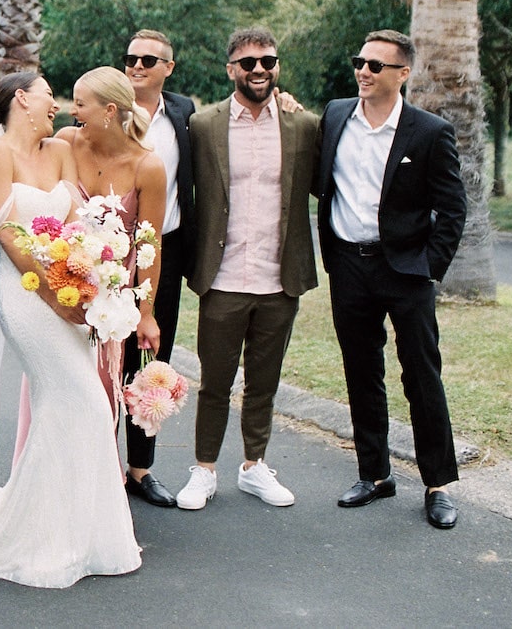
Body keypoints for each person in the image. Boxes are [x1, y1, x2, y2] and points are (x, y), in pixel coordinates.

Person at [0, 71, 143, 587]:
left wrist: (98, 272)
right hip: (26, 295)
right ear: (19, 99)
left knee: (86, 406)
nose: (56, 102)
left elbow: (79, 220)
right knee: (77, 399)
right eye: (48, 93)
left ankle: (86, 533)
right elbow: (6, 232)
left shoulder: (58, 150)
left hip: (74, 292)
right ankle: (41, 538)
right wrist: (54, 293)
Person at [317, 30, 467, 529]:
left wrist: (429, 267)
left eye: (377, 65)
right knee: (361, 371)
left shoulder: (429, 131)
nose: (364, 71)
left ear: (403, 74)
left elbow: (452, 209)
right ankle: (375, 474)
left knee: (421, 375)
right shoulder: (337, 116)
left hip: (406, 270)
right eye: (360, 61)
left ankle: (439, 483)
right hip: (349, 266)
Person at [175, 27, 319, 511]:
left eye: (268, 61)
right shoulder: (204, 125)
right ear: (231, 68)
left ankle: (255, 466)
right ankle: (204, 469)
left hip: (281, 278)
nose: (259, 69)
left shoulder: (304, 125)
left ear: (277, 66)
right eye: (248, 62)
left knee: (265, 381)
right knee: (215, 382)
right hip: (223, 276)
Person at [55, 63, 168, 457]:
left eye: (81, 103)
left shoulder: (148, 166)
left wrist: (146, 313)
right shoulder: (66, 142)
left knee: (102, 394)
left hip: (112, 306)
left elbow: (150, 245)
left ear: (109, 111)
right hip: (64, 292)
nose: (73, 110)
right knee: (61, 394)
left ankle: (101, 484)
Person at [114, 30, 196, 507]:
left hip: (162, 254)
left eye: (149, 59)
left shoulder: (185, 115)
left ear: (169, 67)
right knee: (105, 362)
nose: (137, 65)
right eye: (131, 58)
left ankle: (141, 469)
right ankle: (102, 464)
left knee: (149, 358)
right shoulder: (106, 109)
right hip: (103, 258)